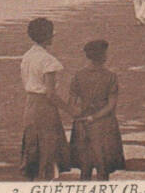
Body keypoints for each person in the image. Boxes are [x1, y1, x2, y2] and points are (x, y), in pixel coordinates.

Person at [20, 18, 74, 180]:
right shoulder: (48, 60)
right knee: (48, 147)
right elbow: (50, 94)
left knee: (32, 144)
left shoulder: (27, 56)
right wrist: (70, 110)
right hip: (44, 108)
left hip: (30, 105)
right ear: (47, 36)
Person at [69, 40, 125, 181]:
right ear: (103, 56)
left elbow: (71, 103)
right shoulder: (110, 76)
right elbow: (111, 105)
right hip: (103, 125)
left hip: (83, 124)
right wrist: (94, 117)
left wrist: (81, 116)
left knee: (85, 167)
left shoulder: (78, 75)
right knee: (103, 168)